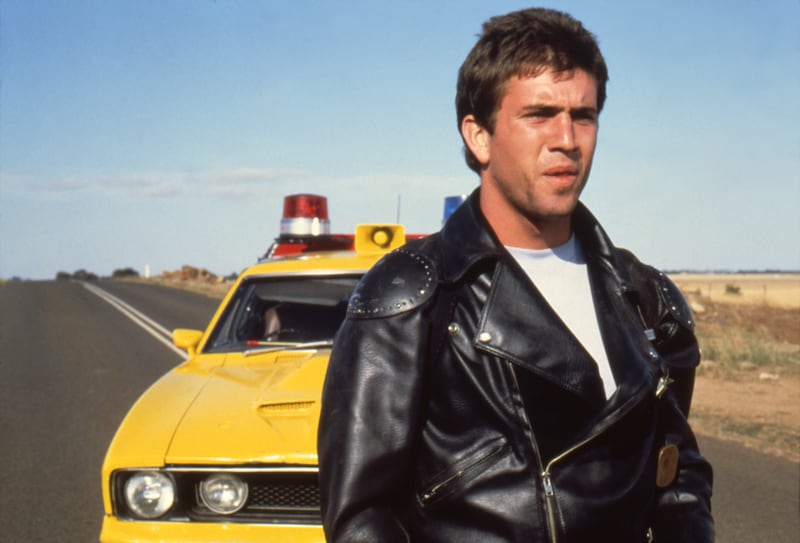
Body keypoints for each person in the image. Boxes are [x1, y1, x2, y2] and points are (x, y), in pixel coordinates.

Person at [318, 7, 714, 542]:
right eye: (539, 114)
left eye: (584, 115)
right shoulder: (413, 297)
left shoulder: (646, 297)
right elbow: (363, 517)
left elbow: (676, 477)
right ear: (479, 137)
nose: (567, 139)